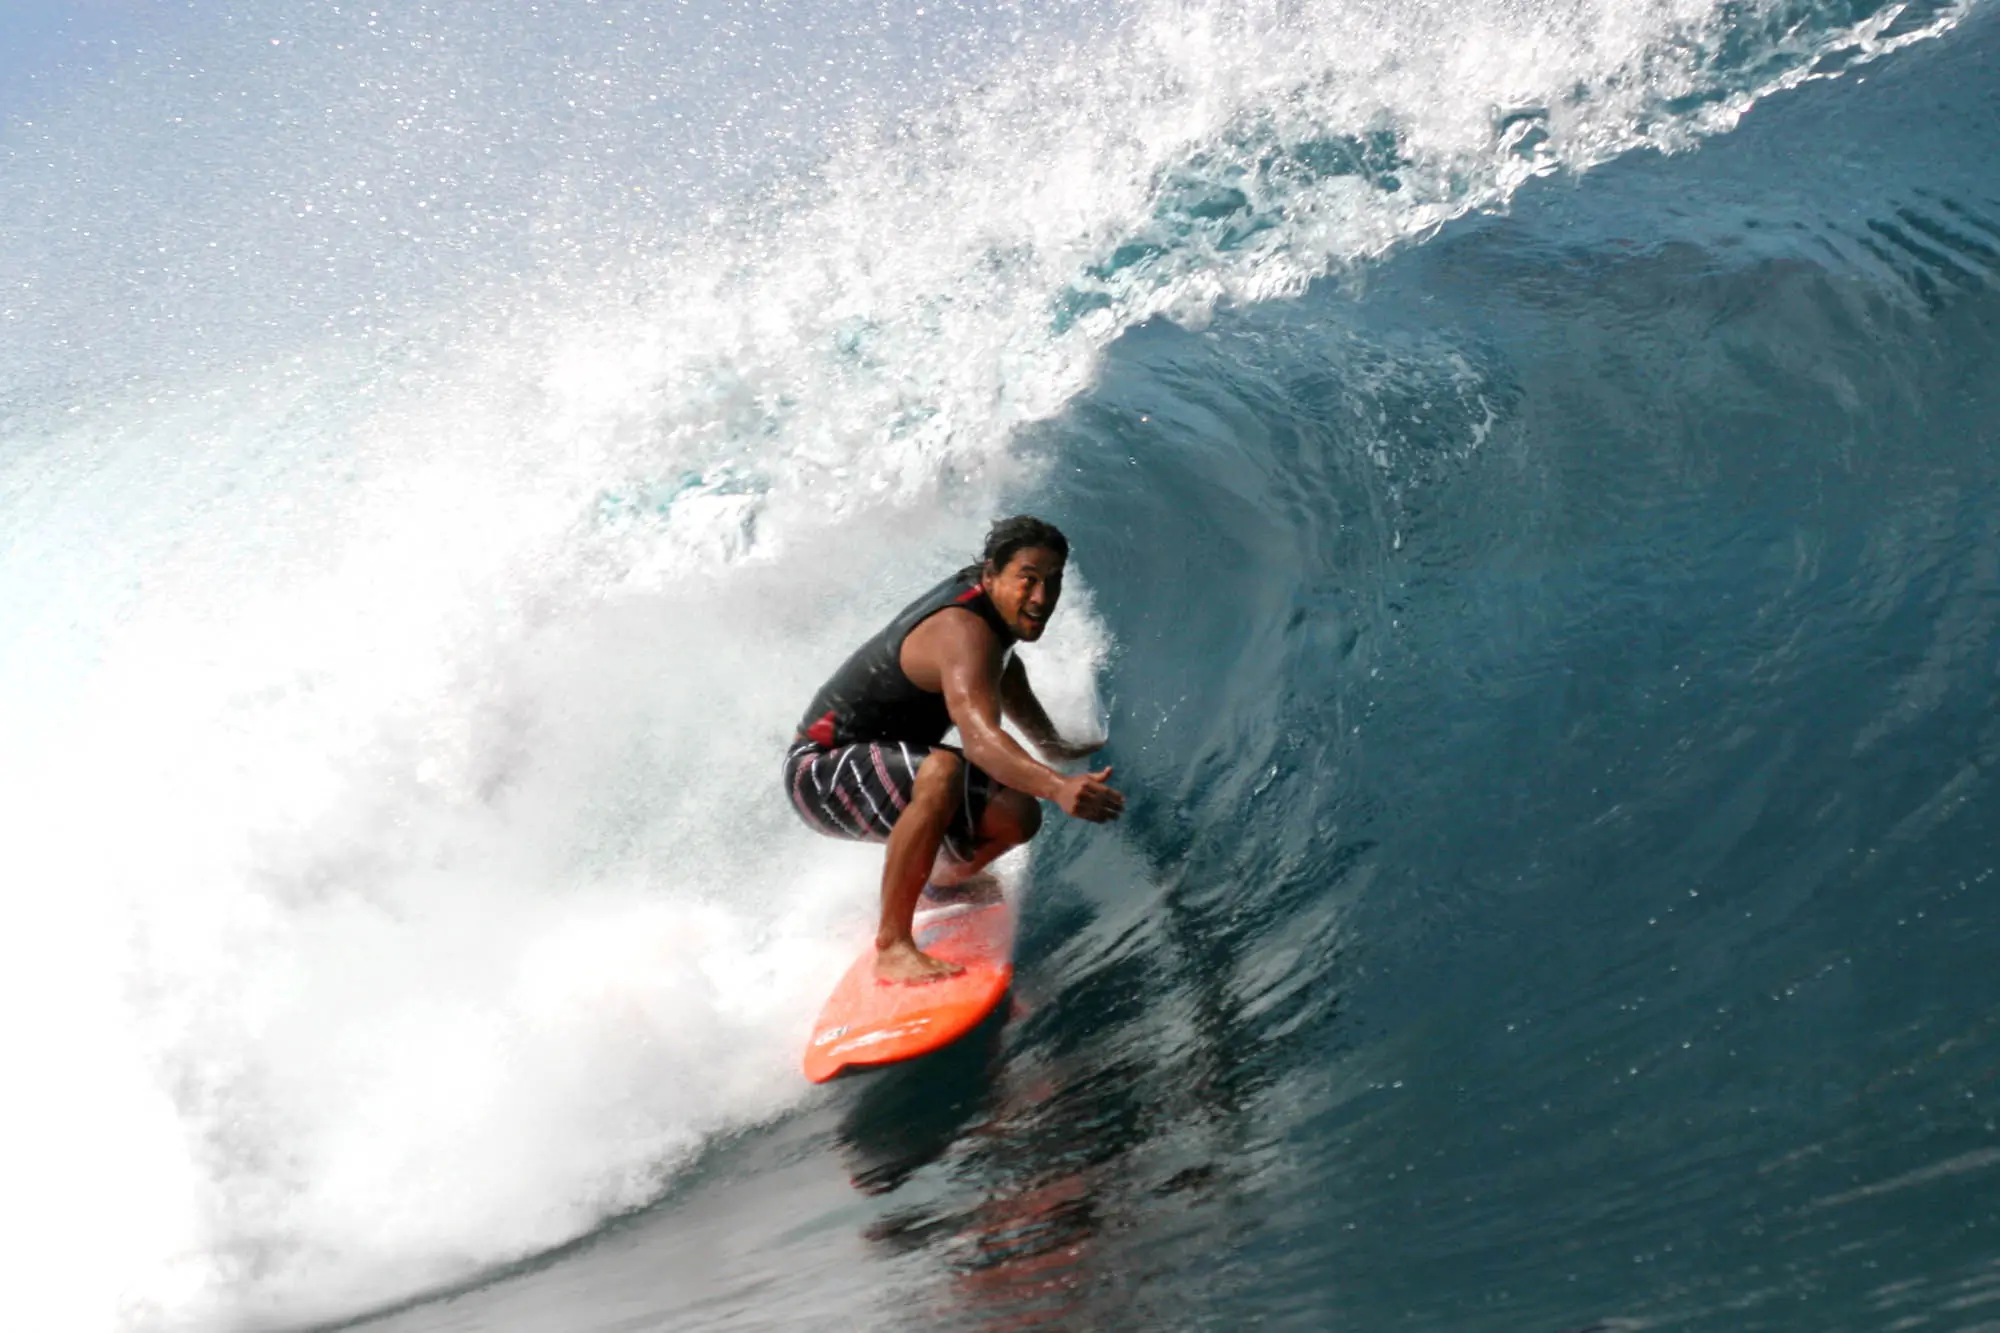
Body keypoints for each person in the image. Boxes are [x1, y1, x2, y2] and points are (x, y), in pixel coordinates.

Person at [784, 515, 1125, 984]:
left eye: (1052, 582)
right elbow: (981, 742)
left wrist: (1052, 746)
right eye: (1028, 580)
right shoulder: (963, 630)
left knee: (1017, 814)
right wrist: (1060, 786)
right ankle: (893, 946)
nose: (1042, 598)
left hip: (873, 764)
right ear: (991, 575)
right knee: (942, 770)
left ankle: (943, 883)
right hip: (818, 773)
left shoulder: (993, 617)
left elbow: (1001, 671)